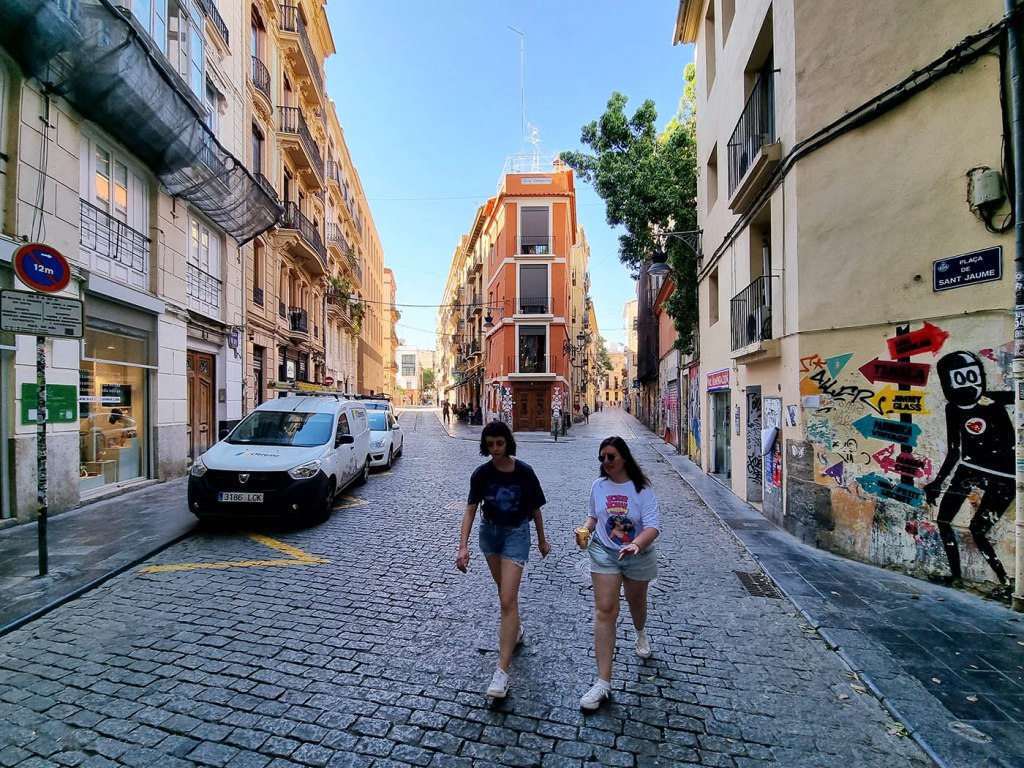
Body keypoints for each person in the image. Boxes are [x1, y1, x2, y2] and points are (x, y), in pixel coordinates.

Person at [457, 420, 551, 698]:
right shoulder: (481, 474)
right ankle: (516, 630)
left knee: (507, 599)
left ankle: (502, 671)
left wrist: (542, 540)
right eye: (490, 445)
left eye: (499, 443)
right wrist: (462, 547)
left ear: (508, 442)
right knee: (505, 595)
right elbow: (470, 510)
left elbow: (535, 508)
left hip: (516, 534)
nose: (495, 449)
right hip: (490, 535)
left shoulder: (524, 472)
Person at [576, 435, 660, 711]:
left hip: (637, 554)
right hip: (605, 552)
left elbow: (652, 527)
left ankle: (640, 633)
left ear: (624, 457)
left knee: (637, 602)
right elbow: (593, 516)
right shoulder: (598, 486)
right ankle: (603, 683)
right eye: (602, 458)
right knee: (605, 610)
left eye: (611, 457)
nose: (606, 462)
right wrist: (585, 529)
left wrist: (636, 544)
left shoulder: (642, 489)